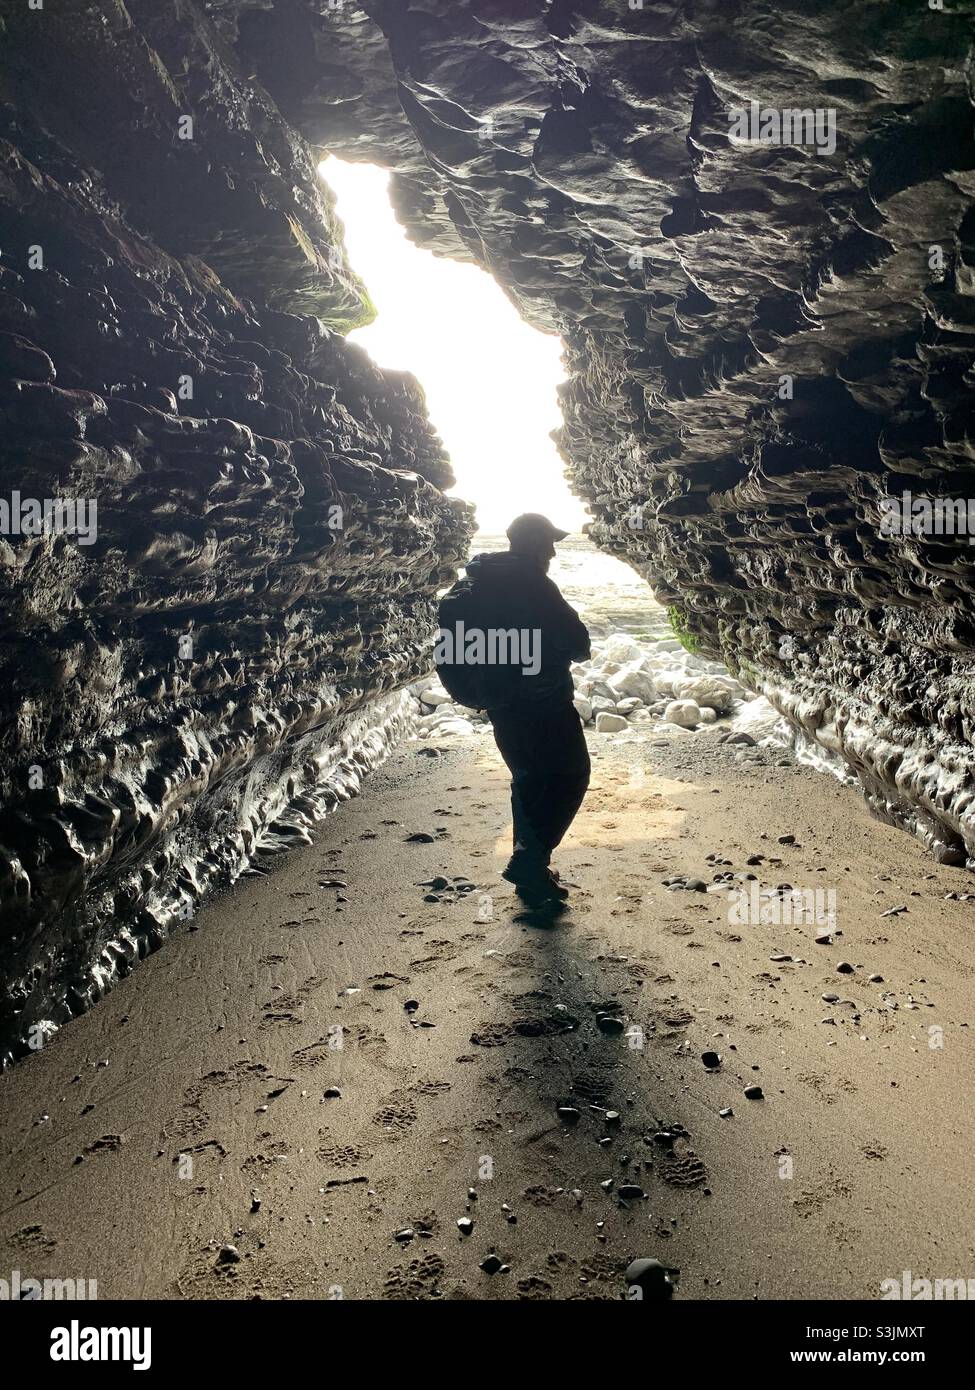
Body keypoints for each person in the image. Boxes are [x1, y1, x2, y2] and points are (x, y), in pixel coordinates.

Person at [462, 514, 591, 907]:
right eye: (548, 543)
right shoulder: (536, 585)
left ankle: (531, 872)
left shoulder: (476, 583)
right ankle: (529, 860)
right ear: (535, 545)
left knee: (528, 779)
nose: (552, 551)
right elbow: (577, 642)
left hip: (501, 703)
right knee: (571, 776)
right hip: (545, 700)